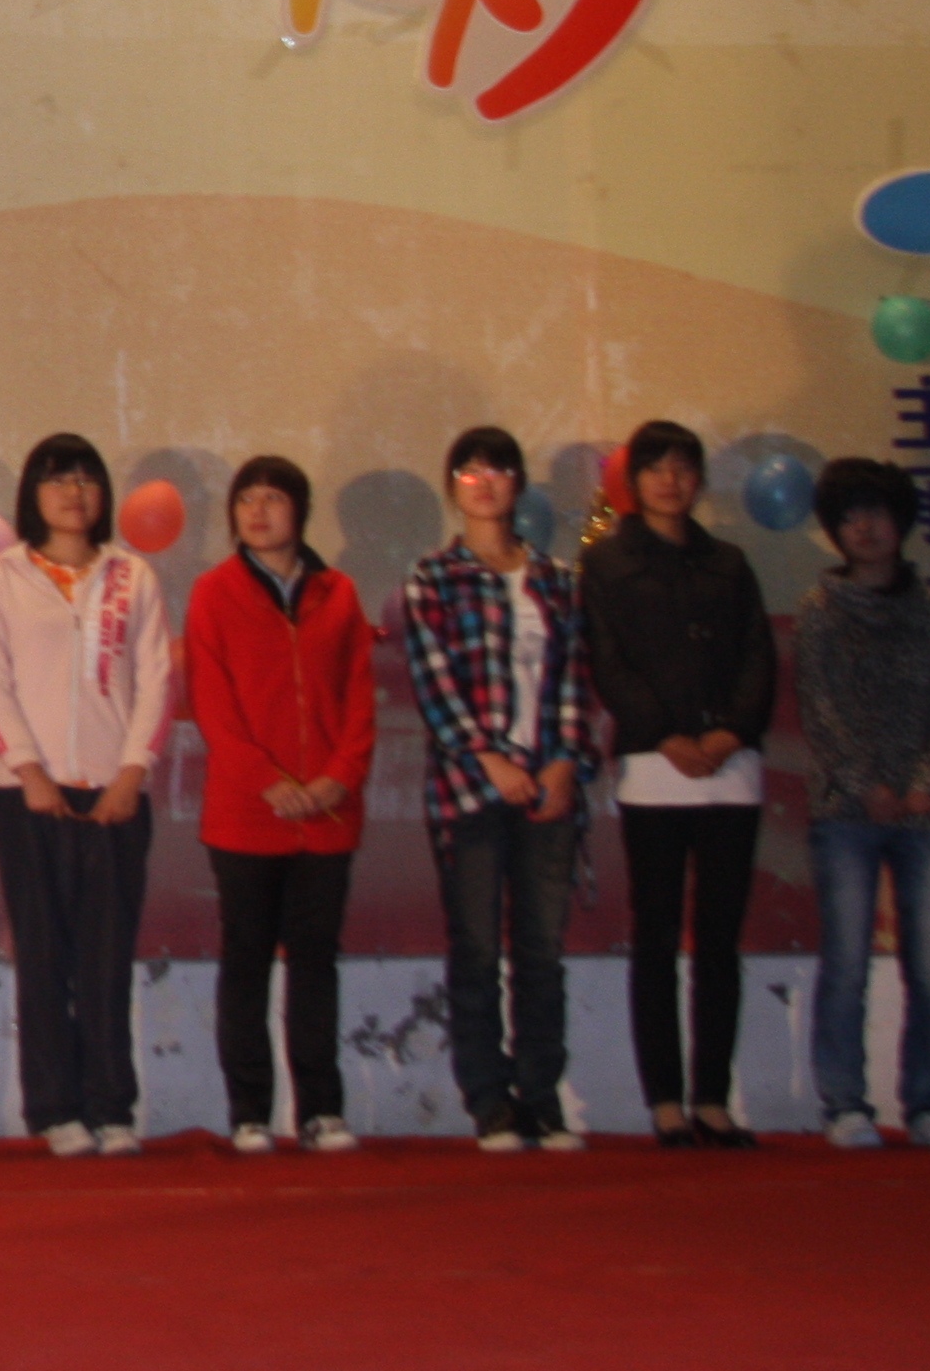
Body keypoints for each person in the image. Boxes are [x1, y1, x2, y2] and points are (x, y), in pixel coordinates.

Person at [0, 433, 174, 1157]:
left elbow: (156, 681)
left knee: (107, 957)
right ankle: (55, 1108)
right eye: (58, 479)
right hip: (29, 797)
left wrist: (131, 774)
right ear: (33, 494)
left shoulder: (131, 576)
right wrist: (29, 772)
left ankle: (112, 1107)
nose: (73, 492)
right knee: (44, 955)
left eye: (86, 479)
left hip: (115, 797)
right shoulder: (3, 576)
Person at [402, 426, 604, 1153]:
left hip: (548, 787)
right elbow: (434, 685)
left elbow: (574, 677)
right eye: (470, 472)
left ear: (518, 485)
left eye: (498, 470)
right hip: (470, 790)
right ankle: (489, 1101)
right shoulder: (433, 577)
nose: (484, 483)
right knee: (478, 950)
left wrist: (563, 764)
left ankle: (542, 1099)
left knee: (542, 952)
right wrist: (489, 759)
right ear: (454, 487)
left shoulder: (556, 579)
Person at [580, 418, 778, 1150]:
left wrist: (730, 732)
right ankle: (665, 1100)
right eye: (656, 468)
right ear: (634, 482)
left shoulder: (728, 562)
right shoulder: (607, 562)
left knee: (719, 942)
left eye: (683, 468)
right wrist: (665, 733)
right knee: (657, 938)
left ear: (699, 482)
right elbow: (607, 660)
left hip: (732, 770)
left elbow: (758, 657)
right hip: (653, 769)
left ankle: (713, 1100)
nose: (670, 481)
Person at [182, 455, 374, 1155]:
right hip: (246, 812)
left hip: (326, 812)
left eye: (273, 499)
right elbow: (213, 704)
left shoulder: (339, 593)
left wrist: (338, 777)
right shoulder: (214, 593)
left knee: (315, 962)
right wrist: (267, 780)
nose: (258, 512)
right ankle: (250, 1111)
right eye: (246, 500)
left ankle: (321, 1110)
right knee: (247, 961)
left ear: (300, 511)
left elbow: (360, 697)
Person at [796, 458, 930, 1151]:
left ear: (902, 521)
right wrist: (867, 784)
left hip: (929, 811)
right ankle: (844, 1104)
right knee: (846, 961)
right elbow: (819, 709)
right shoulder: (819, 609)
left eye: (876, 513)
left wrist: (926, 779)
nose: (864, 528)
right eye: (849, 517)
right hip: (846, 811)